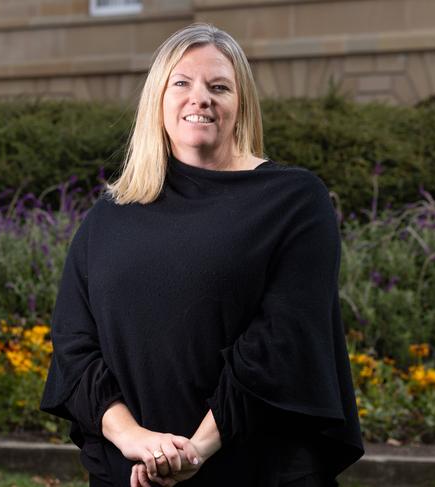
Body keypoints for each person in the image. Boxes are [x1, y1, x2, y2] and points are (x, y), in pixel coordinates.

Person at [40, 22, 364, 487]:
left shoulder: (293, 200)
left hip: (255, 470)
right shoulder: (112, 213)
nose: (201, 98)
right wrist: (134, 438)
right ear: (158, 98)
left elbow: (283, 340)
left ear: (242, 103)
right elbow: (74, 343)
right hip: (129, 470)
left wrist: (197, 449)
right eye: (182, 83)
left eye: (219, 87)